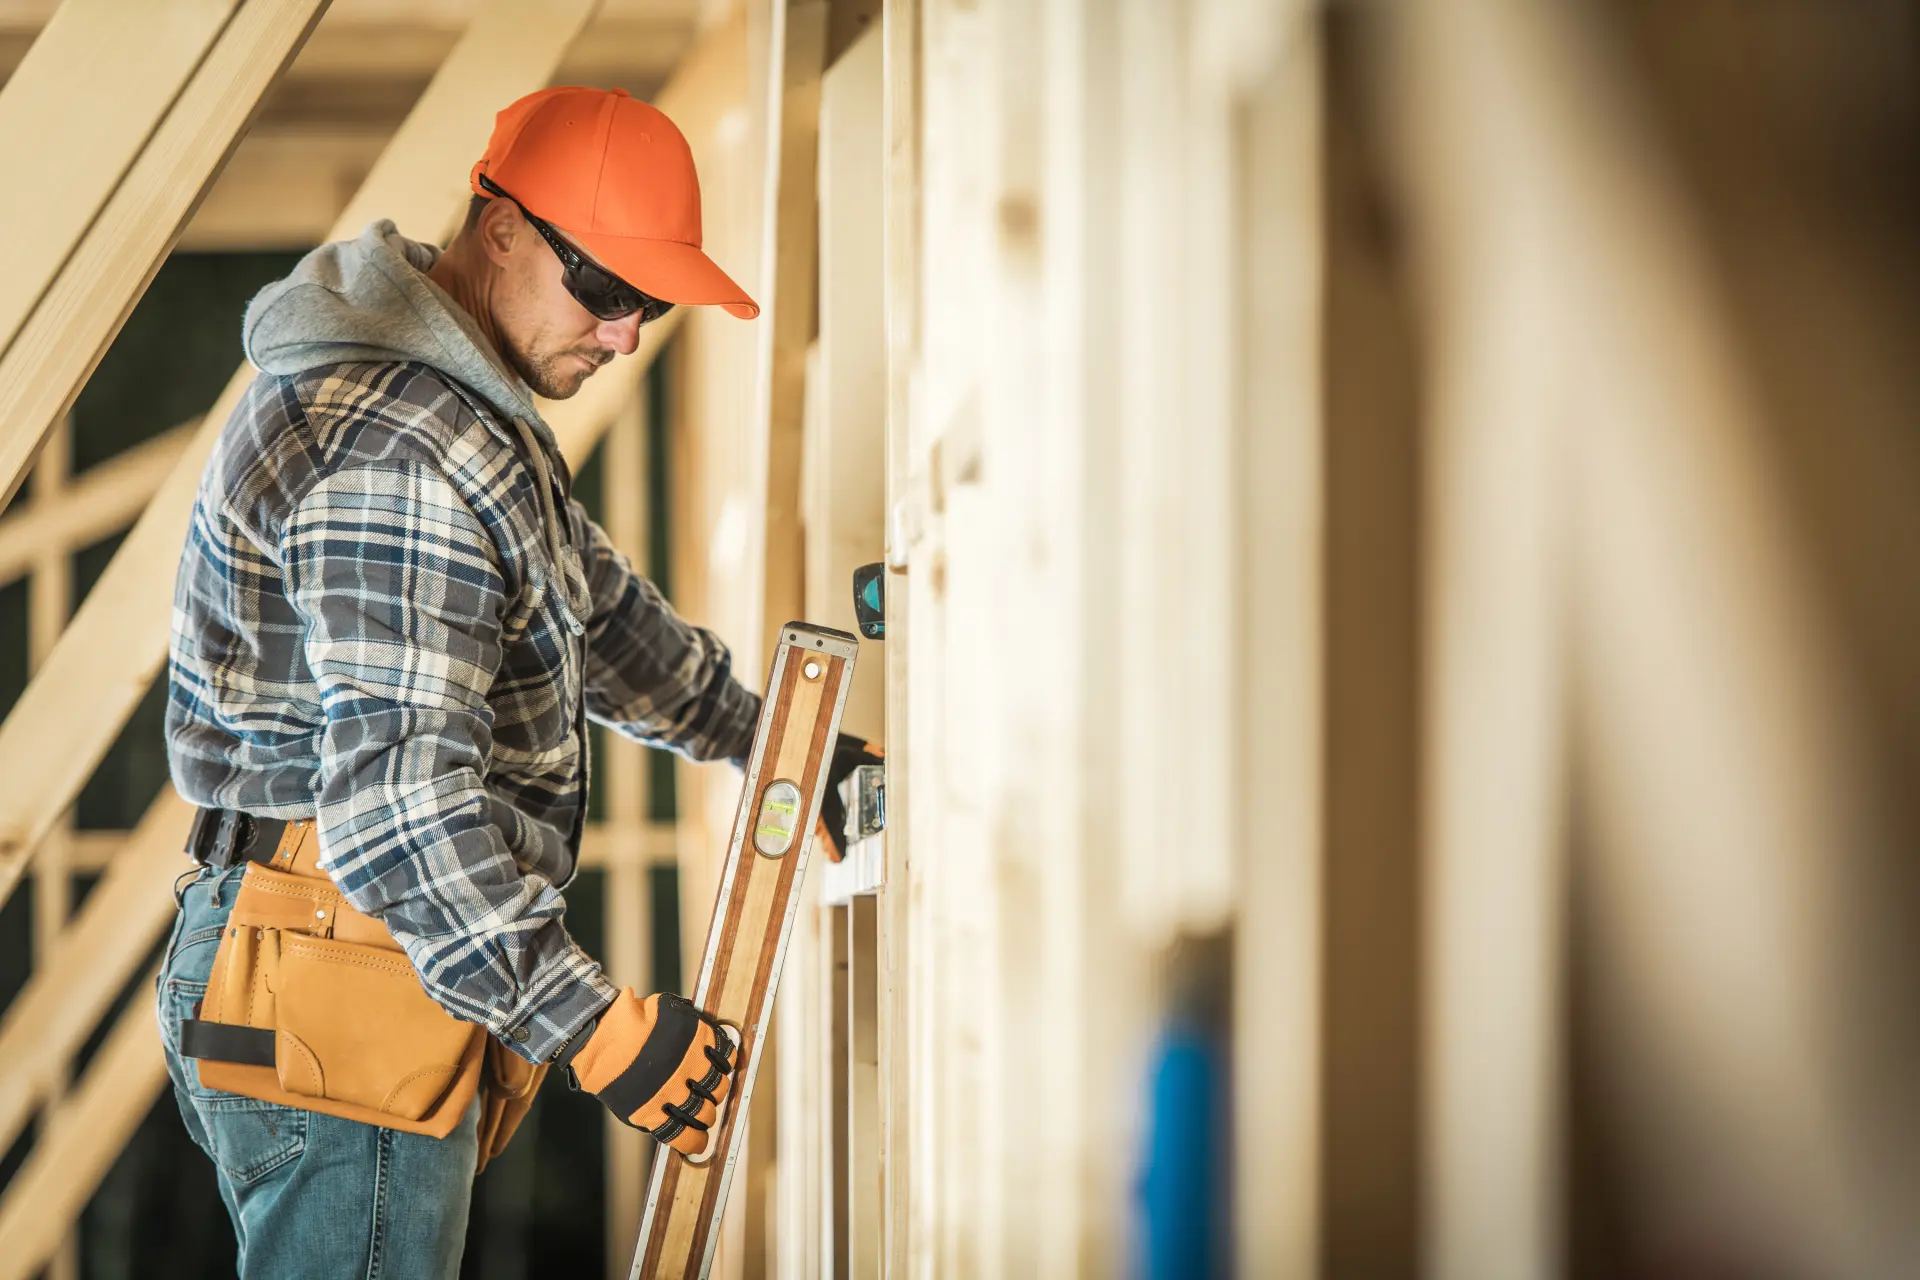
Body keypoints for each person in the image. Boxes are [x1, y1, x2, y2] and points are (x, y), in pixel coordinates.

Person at [156, 86, 871, 1278]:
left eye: (649, 302)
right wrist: (597, 1031)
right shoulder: (402, 449)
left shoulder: (465, 419)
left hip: (343, 946)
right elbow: (398, 818)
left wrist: (772, 741)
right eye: (605, 290)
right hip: (349, 945)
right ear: (502, 229)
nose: (628, 330)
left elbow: (593, 616)